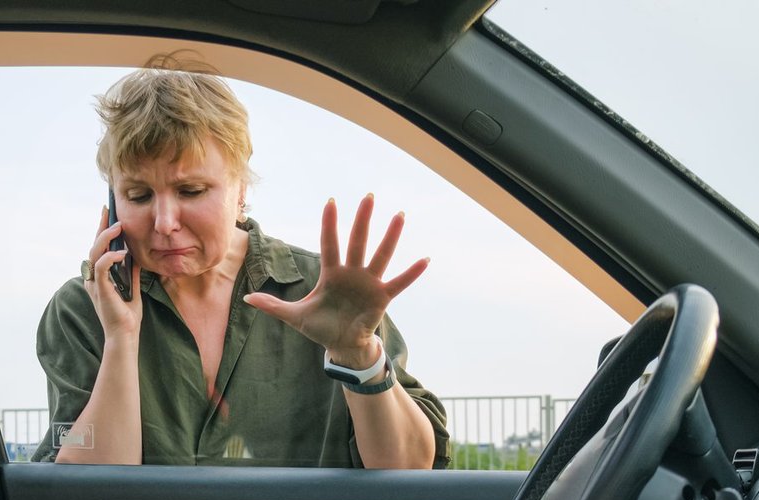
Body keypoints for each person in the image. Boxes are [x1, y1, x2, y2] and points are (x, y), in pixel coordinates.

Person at [32, 61, 449, 468]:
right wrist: (120, 339)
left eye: (191, 191)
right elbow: (86, 484)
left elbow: (410, 468)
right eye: (138, 196)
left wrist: (357, 354)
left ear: (240, 189)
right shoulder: (82, 308)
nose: (164, 223)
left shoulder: (326, 290)